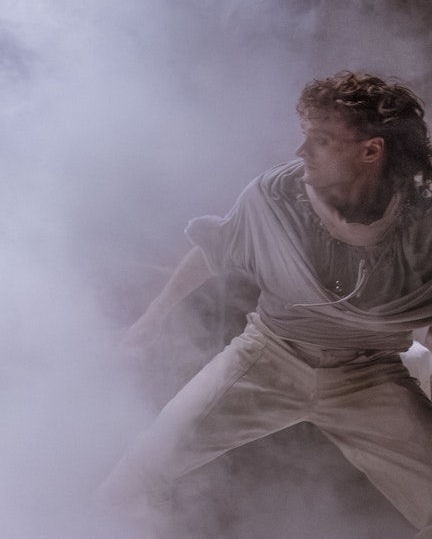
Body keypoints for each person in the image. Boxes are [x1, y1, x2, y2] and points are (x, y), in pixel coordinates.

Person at [104, 72, 432, 536]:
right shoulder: (277, 195)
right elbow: (215, 248)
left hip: (369, 372)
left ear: (372, 150)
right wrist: (151, 318)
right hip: (267, 356)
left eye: (320, 140)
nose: (301, 153)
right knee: (134, 478)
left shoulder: (423, 217)